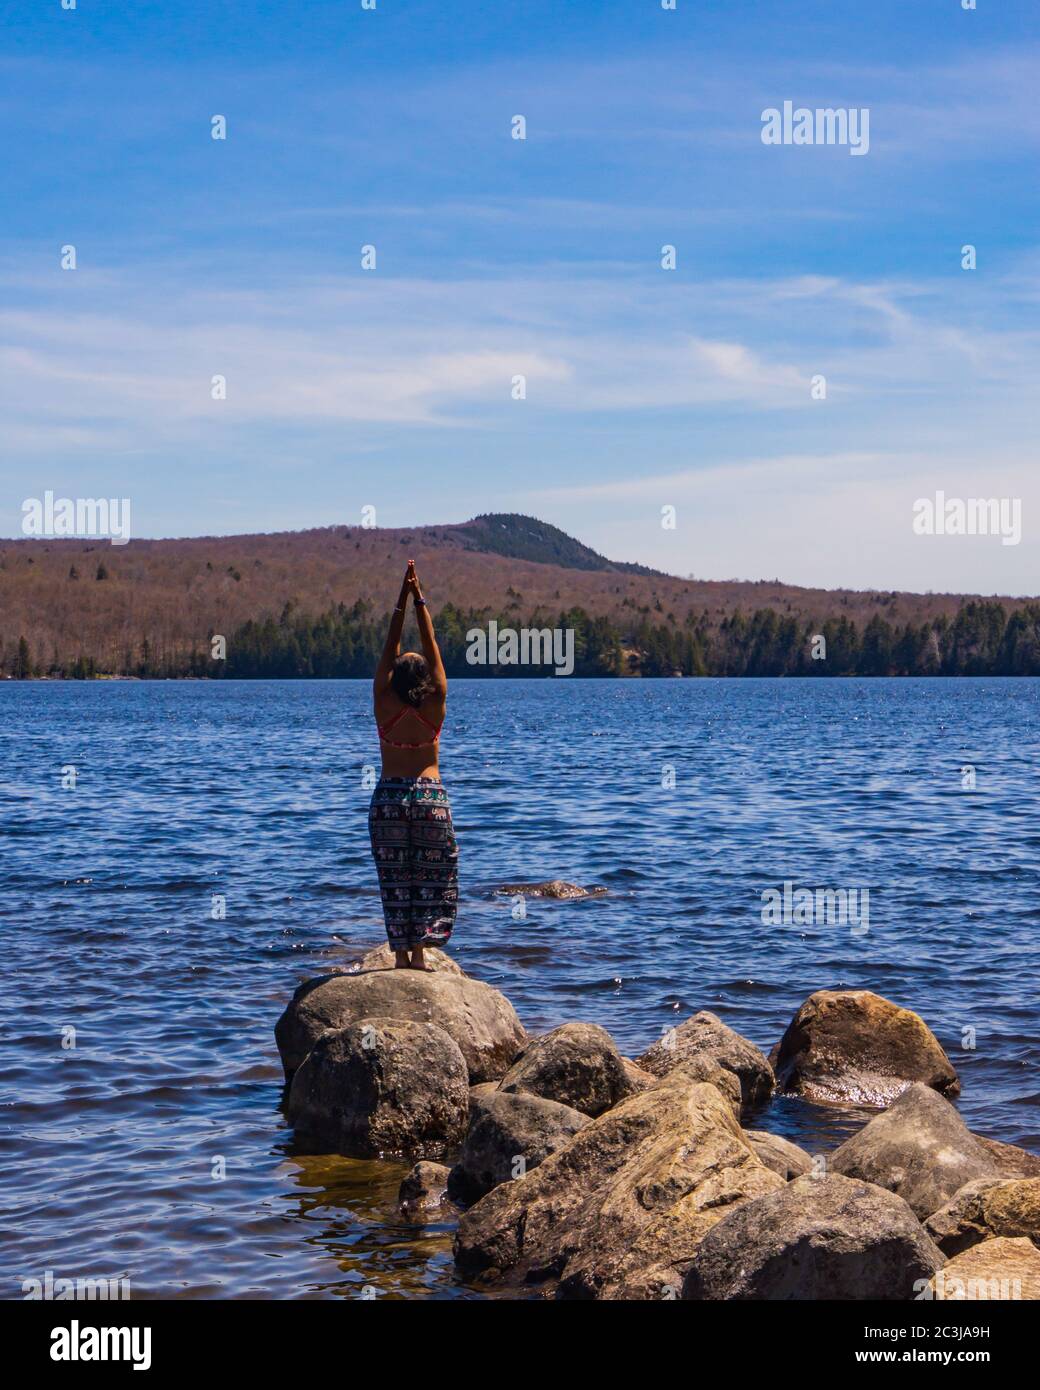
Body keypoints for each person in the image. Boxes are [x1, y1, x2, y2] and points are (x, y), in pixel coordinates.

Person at [368, 561, 458, 970]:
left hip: (388, 795)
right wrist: (419, 596)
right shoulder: (435, 700)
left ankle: (401, 956)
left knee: (395, 878)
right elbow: (431, 640)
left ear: (393, 678)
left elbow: (390, 646)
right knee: (431, 874)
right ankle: (420, 953)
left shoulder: (384, 702)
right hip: (428, 794)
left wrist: (400, 601)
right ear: (424, 676)